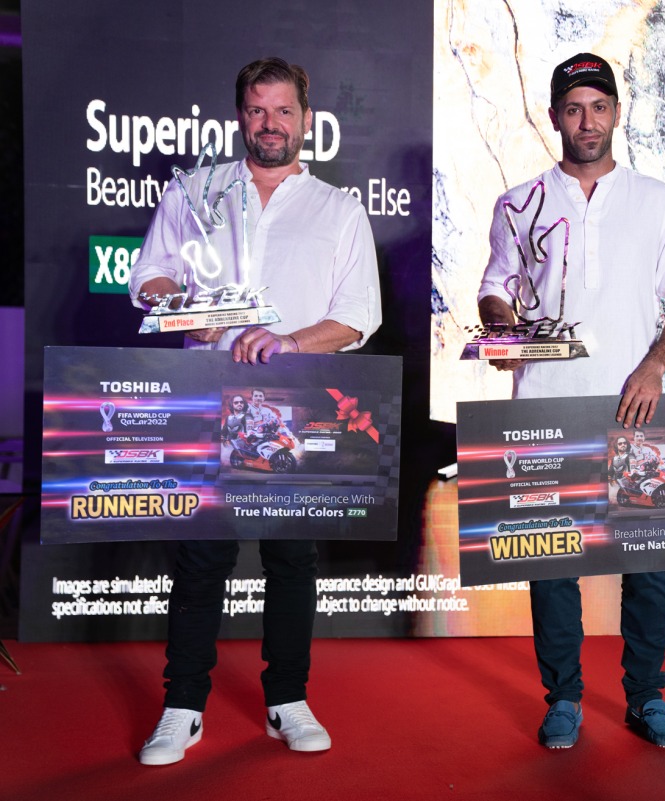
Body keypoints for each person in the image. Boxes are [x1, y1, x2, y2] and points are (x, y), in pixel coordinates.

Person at [129, 57, 381, 765]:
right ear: (240, 116)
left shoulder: (338, 208)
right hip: (206, 395)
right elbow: (147, 275)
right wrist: (183, 309)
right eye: (256, 111)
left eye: (283, 111)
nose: (269, 124)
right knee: (200, 554)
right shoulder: (193, 193)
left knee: (292, 557)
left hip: (295, 405)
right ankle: (182, 705)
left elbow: (360, 316)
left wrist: (291, 341)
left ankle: (288, 699)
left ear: (307, 119)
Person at [477, 53, 665, 749]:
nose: (587, 120)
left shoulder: (657, 200)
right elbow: (494, 286)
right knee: (551, 564)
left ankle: (645, 697)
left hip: (637, 408)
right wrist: (499, 323)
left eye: (598, 106)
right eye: (573, 108)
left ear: (616, 112)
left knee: (648, 566)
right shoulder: (517, 202)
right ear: (554, 118)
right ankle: (565, 697)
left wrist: (654, 365)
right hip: (545, 406)